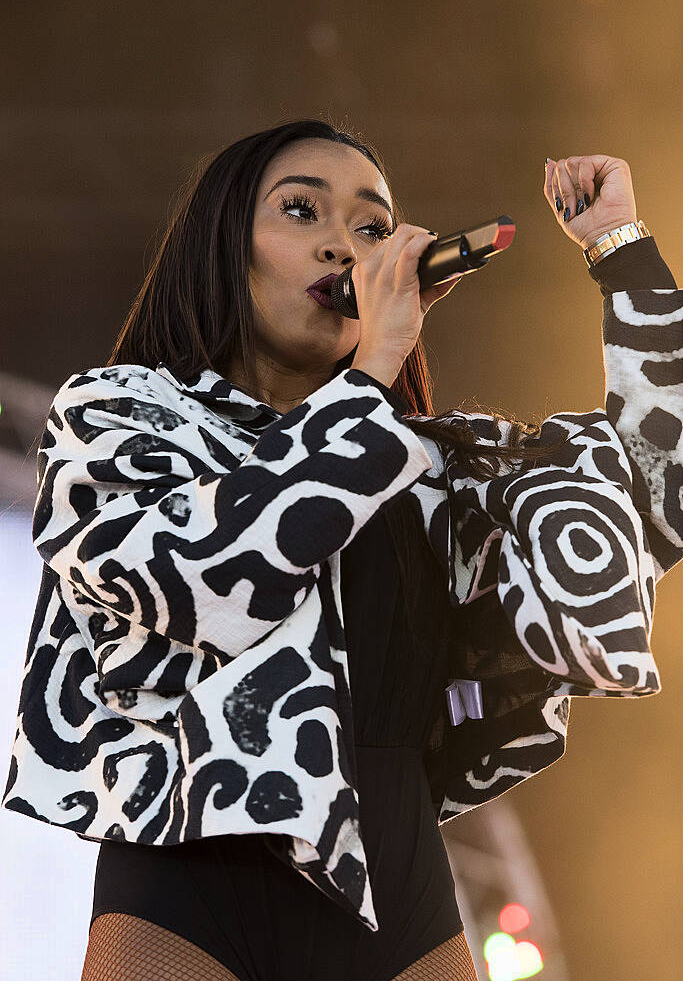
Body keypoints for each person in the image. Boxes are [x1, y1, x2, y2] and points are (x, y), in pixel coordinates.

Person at [2, 120, 680, 981]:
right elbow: (207, 574)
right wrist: (373, 370)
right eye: (300, 210)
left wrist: (619, 250)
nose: (343, 245)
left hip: (400, 890)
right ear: (222, 247)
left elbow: (656, 489)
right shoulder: (119, 415)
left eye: (371, 227)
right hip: (190, 883)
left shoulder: (427, 467)